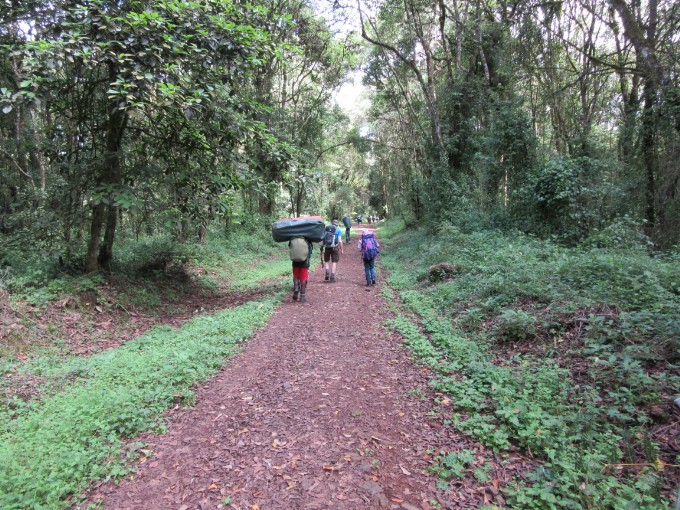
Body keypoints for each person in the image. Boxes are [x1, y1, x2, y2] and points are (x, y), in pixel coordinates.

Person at [289, 237, 314, 303]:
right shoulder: (307, 238)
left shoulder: (293, 238)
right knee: (303, 278)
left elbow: (290, 247)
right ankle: (302, 297)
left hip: (295, 261)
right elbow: (310, 251)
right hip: (304, 262)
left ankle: (296, 288)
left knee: (296, 276)